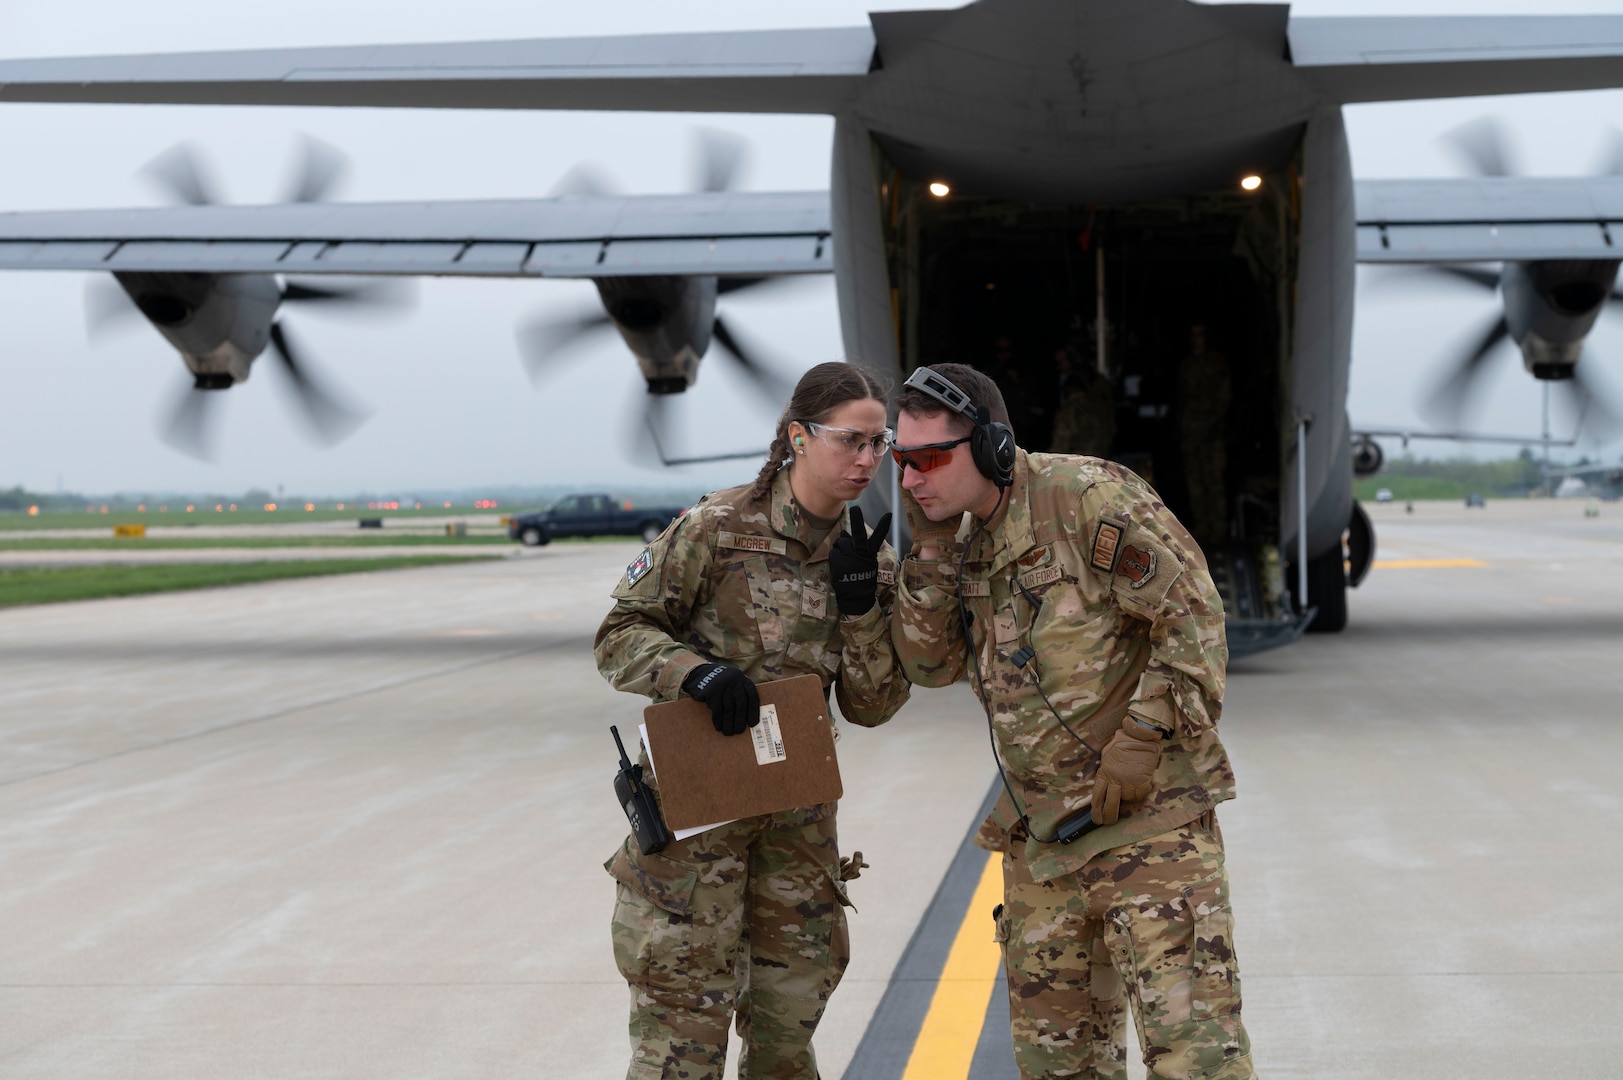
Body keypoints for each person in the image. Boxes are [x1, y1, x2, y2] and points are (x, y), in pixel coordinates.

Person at [888, 362, 1255, 1080]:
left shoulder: (1085, 498)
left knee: (1196, 1061)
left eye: (928, 459)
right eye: (902, 461)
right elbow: (928, 667)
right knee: (1059, 1067)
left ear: (992, 447)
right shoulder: (959, 545)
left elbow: (1193, 613)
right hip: (1043, 847)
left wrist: (1144, 736)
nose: (909, 479)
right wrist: (928, 549)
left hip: (1148, 831)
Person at [594, 360, 911, 1080]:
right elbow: (619, 635)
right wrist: (694, 675)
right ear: (798, 437)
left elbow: (873, 706)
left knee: (786, 1041)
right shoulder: (716, 527)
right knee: (682, 1039)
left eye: (878, 443)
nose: (866, 461)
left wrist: (861, 610)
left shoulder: (869, 557)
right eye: (849, 441)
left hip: (796, 828)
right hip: (697, 825)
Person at [1178, 323, 1232, 542]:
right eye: (1193, 335)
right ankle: (1203, 526)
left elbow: (1224, 397)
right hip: (1191, 432)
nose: (1196, 339)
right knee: (1195, 482)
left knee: (1214, 481)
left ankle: (1219, 528)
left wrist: (1215, 422)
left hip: (1211, 432)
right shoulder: (1187, 366)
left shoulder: (1216, 363)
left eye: (1200, 334)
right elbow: (1181, 399)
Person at [1048, 344, 1116, 458]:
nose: (1059, 366)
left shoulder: (1075, 403)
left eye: (1062, 361)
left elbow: (1061, 441)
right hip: (1100, 459)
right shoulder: (1100, 386)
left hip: (1079, 462)